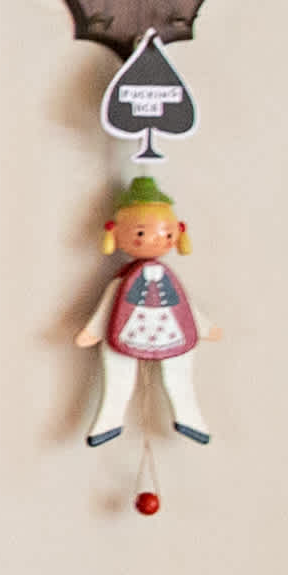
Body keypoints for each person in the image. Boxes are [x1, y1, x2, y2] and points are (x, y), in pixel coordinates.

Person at [75, 175, 210, 448]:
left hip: (171, 331)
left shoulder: (166, 278)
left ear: (178, 233)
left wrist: (204, 327)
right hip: (128, 331)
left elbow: (186, 308)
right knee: (118, 376)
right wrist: (94, 330)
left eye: (167, 234)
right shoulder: (123, 282)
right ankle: (108, 422)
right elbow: (108, 306)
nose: (155, 239)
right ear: (115, 232)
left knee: (180, 375)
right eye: (140, 233)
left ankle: (190, 418)